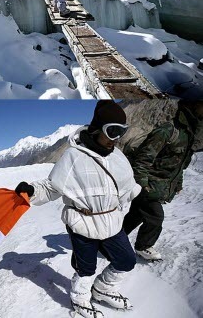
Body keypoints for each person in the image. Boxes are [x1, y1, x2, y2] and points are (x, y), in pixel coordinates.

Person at [15, 100, 140, 318]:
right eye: (112, 131)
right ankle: (80, 298)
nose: (116, 139)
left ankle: (103, 289)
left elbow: (127, 184)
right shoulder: (73, 157)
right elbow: (52, 187)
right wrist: (31, 191)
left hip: (112, 220)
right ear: (97, 128)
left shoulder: (117, 156)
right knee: (86, 268)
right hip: (83, 223)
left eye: (121, 131)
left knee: (127, 260)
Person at [123, 100, 203, 261]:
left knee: (136, 215)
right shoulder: (168, 130)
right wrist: (143, 184)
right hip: (148, 184)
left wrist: (178, 184)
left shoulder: (188, 134)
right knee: (155, 217)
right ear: (193, 105)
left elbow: (178, 164)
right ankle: (143, 247)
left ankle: (110, 240)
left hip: (157, 185)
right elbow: (143, 159)